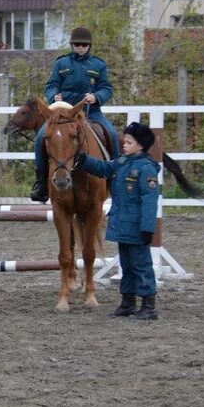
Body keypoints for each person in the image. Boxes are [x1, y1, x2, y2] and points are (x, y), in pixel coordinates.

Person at [74, 122, 160, 321]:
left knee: (141, 265)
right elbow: (103, 168)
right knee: (127, 266)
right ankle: (127, 302)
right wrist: (84, 160)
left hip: (137, 228)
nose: (124, 144)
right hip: (123, 225)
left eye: (129, 142)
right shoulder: (121, 162)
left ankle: (149, 305)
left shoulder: (146, 169)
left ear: (140, 146)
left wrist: (147, 229)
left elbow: (149, 201)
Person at [30, 26, 119, 202]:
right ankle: (41, 183)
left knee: (113, 134)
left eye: (84, 45)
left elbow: (106, 88)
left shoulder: (99, 65)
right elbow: (51, 85)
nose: (80, 47)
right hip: (62, 114)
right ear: (72, 45)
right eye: (77, 44)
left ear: (89, 46)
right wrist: (53, 95)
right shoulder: (61, 64)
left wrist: (96, 96)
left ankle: (115, 179)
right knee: (40, 137)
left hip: (90, 112)